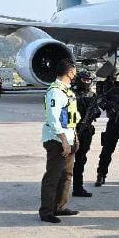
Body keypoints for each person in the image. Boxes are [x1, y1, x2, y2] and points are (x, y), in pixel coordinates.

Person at [39, 59, 79, 223]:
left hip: (68, 139)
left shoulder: (66, 90)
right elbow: (53, 119)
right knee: (53, 176)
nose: (75, 74)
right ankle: (47, 211)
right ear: (70, 72)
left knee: (67, 174)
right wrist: (63, 140)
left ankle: (60, 206)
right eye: (74, 71)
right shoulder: (55, 92)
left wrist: (73, 138)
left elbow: (70, 118)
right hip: (57, 141)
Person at [70, 71, 99, 198]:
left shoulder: (92, 95)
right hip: (72, 129)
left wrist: (94, 112)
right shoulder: (71, 93)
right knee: (67, 160)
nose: (87, 82)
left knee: (81, 159)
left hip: (86, 130)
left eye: (89, 80)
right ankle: (61, 188)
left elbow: (97, 111)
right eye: (84, 80)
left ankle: (78, 187)